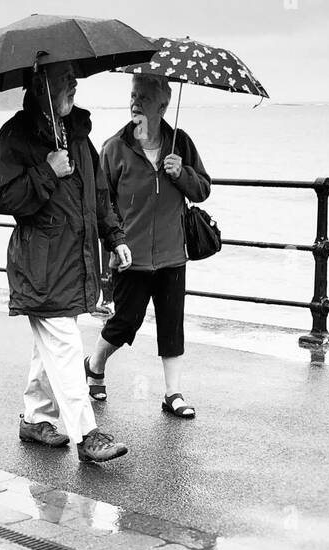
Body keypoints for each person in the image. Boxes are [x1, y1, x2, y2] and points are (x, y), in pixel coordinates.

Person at [0, 60, 133, 465]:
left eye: (74, 76)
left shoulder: (78, 132)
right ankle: (86, 434)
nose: (74, 83)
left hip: (74, 259)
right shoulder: (16, 136)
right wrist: (46, 172)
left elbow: (99, 193)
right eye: (64, 77)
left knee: (49, 344)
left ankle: (35, 417)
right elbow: (1, 199)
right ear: (39, 83)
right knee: (65, 344)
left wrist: (115, 236)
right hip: (41, 264)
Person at [85, 75, 212, 420]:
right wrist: (113, 244)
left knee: (172, 324)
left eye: (144, 96)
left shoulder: (180, 144)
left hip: (172, 254)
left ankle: (173, 394)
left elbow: (202, 189)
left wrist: (182, 173)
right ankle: (95, 365)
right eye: (133, 95)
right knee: (126, 322)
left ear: (163, 104)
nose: (135, 102)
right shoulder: (115, 148)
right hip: (130, 256)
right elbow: (102, 203)